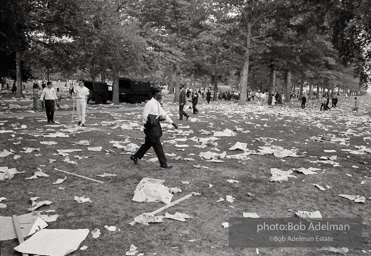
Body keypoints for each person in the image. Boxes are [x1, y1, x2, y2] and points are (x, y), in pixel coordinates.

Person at [130, 85, 178, 168]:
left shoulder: (157, 103)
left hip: (154, 126)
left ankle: (135, 156)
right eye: (159, 92)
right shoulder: (150, 103)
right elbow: (145, 116)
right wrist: (155, 120)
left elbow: (164, 114)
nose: (161, 94)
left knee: (147, 144)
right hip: (150, 127)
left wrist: (172, 123)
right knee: (157, 145)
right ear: (155, 94)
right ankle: (163, 163)